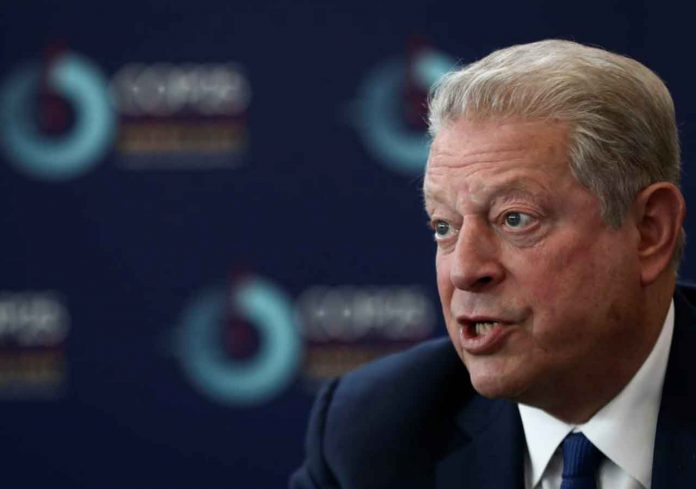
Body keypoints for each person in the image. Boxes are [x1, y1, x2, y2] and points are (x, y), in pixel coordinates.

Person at [290, 40, 694, 489]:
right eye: (444, 227)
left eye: (514, 219)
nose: (464, 270)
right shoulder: (376, 433)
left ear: (649, 232)